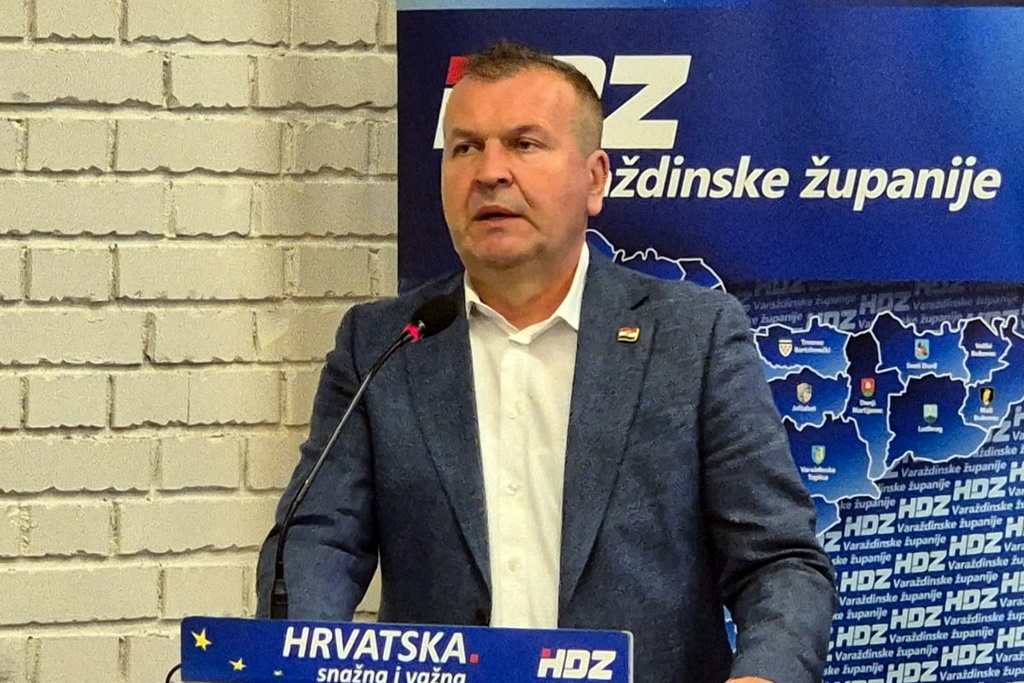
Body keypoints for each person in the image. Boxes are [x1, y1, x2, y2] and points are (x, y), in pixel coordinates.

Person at [257, 41, 835, 683]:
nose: (490, 172)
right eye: (465, 148)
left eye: (524, 144)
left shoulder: (692, 336)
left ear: (595, 179)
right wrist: (294, 665)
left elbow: (779, 562)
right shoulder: (384, 344)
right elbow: (316, 542)